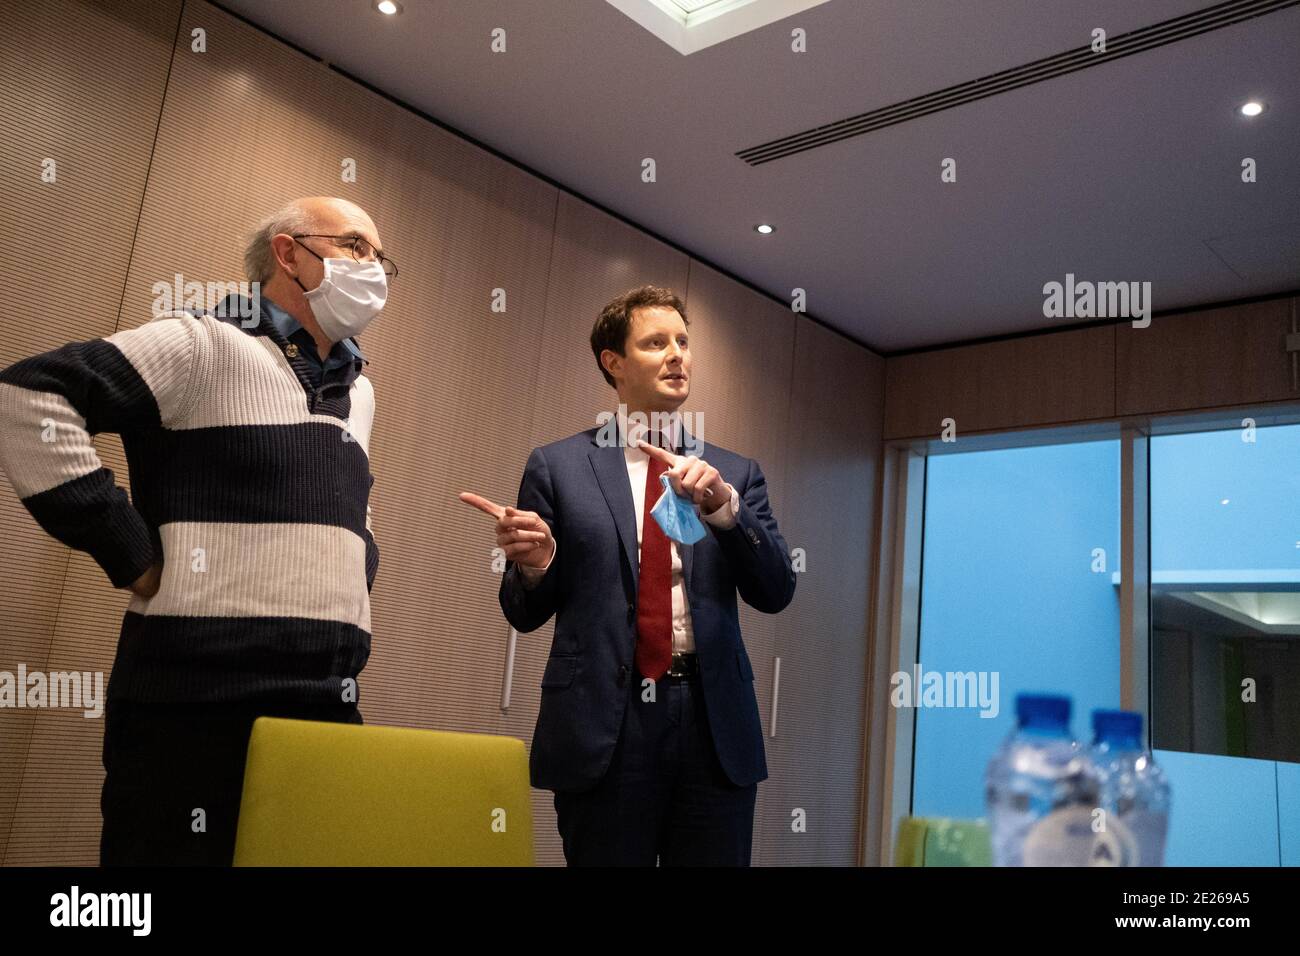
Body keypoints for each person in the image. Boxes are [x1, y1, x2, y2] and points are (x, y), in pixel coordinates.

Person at [0, 196, 393, 865]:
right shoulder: (201, 341)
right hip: (191, 703)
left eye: (381, 257)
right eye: (355, 246)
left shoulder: (360, 391)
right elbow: (29, 396)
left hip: (326, 704)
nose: (373, 268)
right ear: (288, 252)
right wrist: (126, 549)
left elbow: (350, 512)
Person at [460, 284, 795, 865]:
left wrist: (724, 509)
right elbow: (523, 611)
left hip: (712, 722)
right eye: (656, 342)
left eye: (684, 342)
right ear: (612, 363)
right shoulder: (559, 466)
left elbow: (776, 590)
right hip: (605, 724)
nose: (677, 355)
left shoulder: (734, 472)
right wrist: (538, 565)